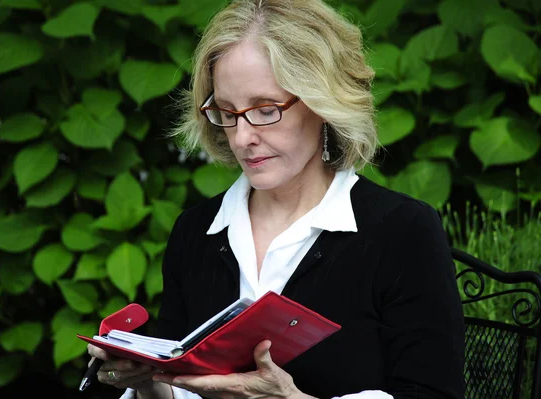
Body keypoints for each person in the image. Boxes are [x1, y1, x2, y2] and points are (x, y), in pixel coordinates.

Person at [86, 1, 466, 398]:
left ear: (323, 102)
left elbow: (434, 392)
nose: (241, 137)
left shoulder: (400, 231)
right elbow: (180, 382)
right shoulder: (196, 232)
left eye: (266, 110)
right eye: (227, 111)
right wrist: (147, 380)